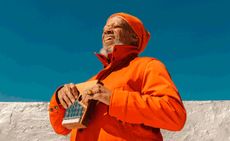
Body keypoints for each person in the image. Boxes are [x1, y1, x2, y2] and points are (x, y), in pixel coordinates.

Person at [48, 12, 187, 141]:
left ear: (134, 37)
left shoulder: (147, 66)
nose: (107, 31)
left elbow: (175, 115)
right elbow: (61, 128)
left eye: (116, 27)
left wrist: (113, 99)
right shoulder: (92, 81)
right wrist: (60, 99)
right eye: (105, 29)